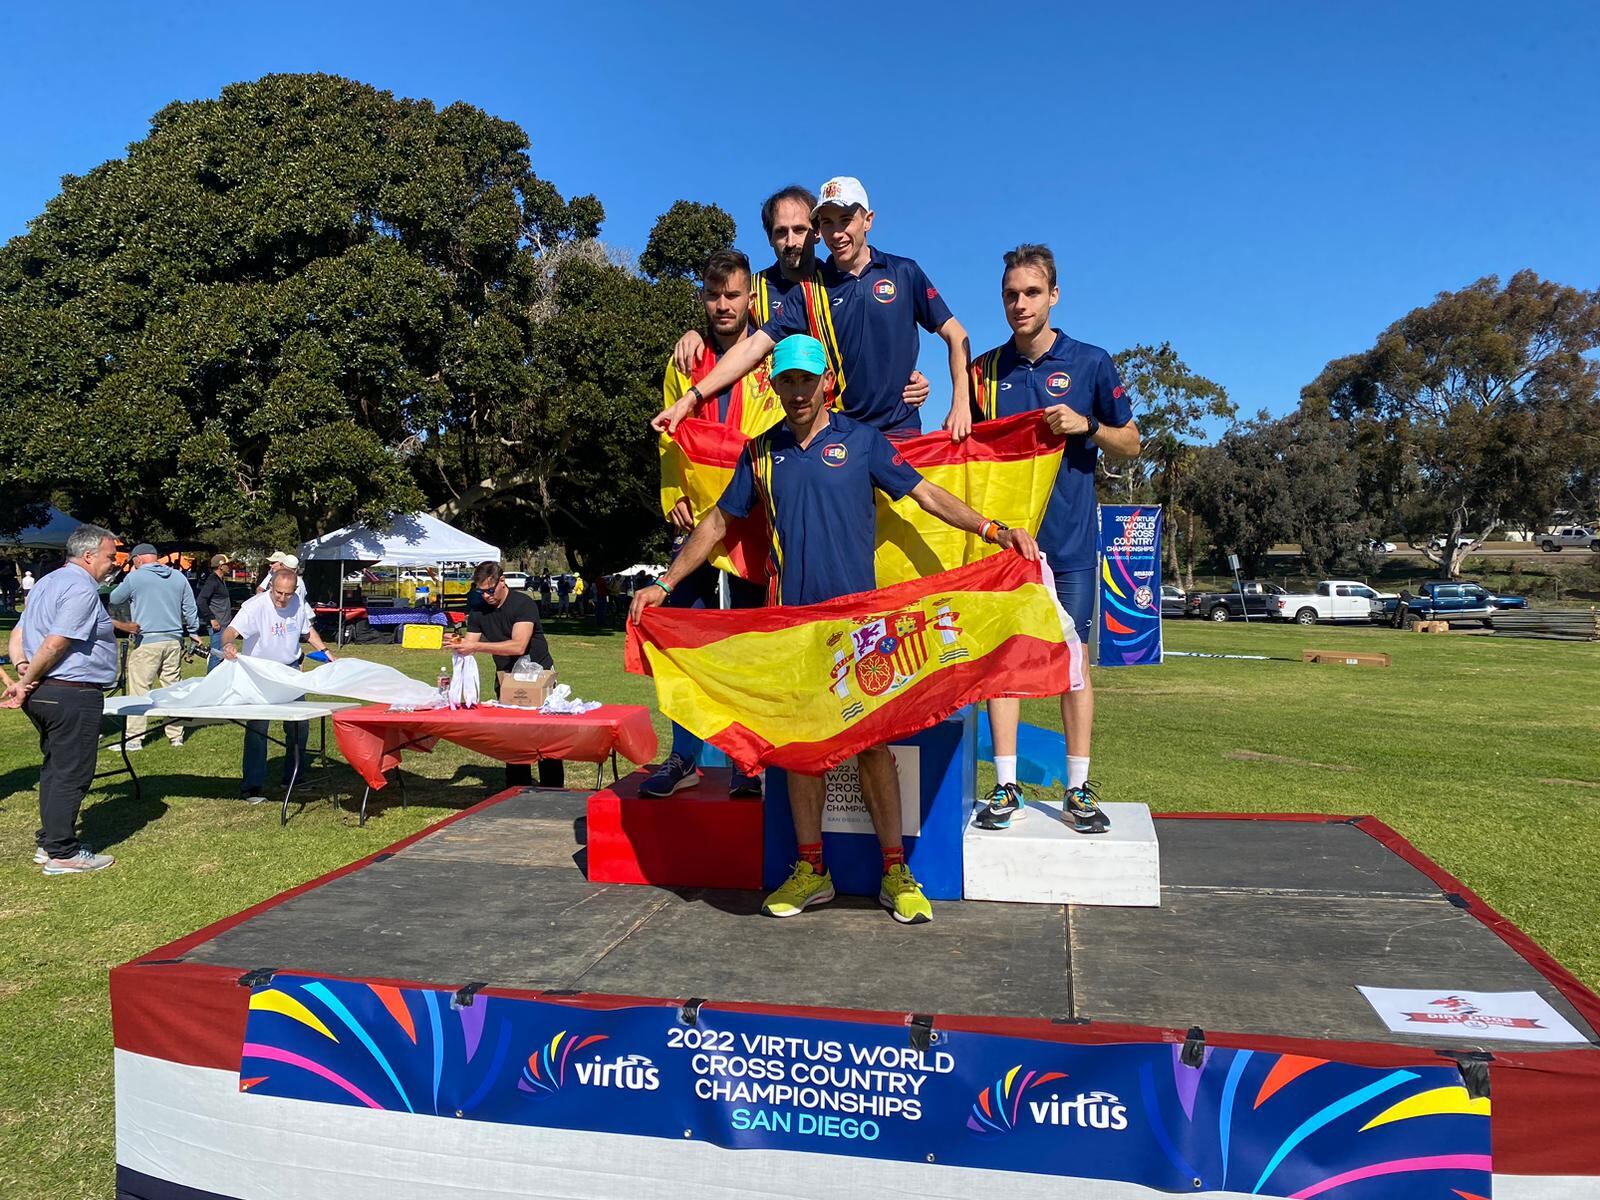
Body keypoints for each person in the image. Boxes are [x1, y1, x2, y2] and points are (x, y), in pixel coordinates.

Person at [632, 335, 1039, 926]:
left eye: (807, 381)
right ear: (775, 386)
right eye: (787, 381)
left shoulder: (861, 441)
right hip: (795, 630)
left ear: (827, 384)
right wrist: (665, 585)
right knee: (802, 755)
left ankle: (895, 870)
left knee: (874, 748)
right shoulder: (761, 452)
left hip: (859, 628)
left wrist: (993, 529)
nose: (797, 392)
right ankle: (810, 869)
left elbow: (926, 494)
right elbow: (717, 522)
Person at [970, 245, 1141, 834]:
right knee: (1003, 664)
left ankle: (1077, 789)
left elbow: (1132, 442)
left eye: (1031, 293)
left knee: (1075, 664)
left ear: (1054, 295)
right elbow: (961, 444)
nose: (1020, 304)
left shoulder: (1091, 363)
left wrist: (1087, 426)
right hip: (1007, 546)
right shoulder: (983, 372)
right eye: (1011, 294)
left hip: (1069, 542)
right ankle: (1005, 786)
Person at [655, 176, 971, 443]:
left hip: (900, 432)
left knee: (915, 513)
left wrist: (961, 401)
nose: (837, 232)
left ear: (868, 220)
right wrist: (691, 393)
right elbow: (746, 346)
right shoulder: (805, 292)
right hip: (832, 434)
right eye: (828, 222)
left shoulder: (904, 272)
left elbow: (956, 335)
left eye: (846, 220)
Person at [645, 249, 776, 800]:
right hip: (696, 518)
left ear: (751, 298)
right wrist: (674, 492)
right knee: (687, 638)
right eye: (713, 295)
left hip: (752, 523)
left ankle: (750, 764)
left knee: (750, 642)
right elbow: (667, 430)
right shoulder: (684, 359)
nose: (723, 305)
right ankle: (684, 756)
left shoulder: (770, 355)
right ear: (703, 298)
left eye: (732, 295)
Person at [669, 185, 930, 410]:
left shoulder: (840, 283)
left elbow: (875, 345)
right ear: (770, 237)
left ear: (817, 233)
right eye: (781, 232)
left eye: (800, 230)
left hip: (835, 423)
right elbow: (731, 343)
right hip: (765, 425)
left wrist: (908, 378)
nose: (791, 241)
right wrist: (695, 334)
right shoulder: (753, 289)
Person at [3, 524, 121, 875]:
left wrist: (24, 669)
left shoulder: (47, 583)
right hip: (71, 692)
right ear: (88, 556)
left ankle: (50, 841)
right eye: (109, 557)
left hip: (49, 692)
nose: (113, 563)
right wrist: (26, 678)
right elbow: (56, 643)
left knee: (55, 770)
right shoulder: (80, 588)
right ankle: (63, 853)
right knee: (72, 773)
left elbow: (19, 633)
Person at [220, 567, 335, 804]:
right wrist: (228, 645)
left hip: (290, 672)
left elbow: (307, 631)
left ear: (295, 590)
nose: (282, 599)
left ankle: (295, 777)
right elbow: (231, 630)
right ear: (271, 586)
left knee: (299, 726)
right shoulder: (255, 606)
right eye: (278, 593)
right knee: (257, 730)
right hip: (261, 674)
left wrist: (325, 651)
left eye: (288, 594)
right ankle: (252, 786)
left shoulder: (298, 603)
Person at [451, 561, 563, 790]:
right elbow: (469, 644)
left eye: (490, 590)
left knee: (545, 737)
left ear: (502, 581)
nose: (486, 596)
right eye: (480, 591)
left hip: (538, 676)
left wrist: (476, 647)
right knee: (513, 738)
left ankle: (553, 788)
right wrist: (456, 644)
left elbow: (518, 646)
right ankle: (516, 788)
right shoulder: (478, 610)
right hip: (506, 678)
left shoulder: (523, 604)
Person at [110, 543, 203, 750]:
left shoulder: (135, 577)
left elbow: (115, 598)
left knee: (140, 690)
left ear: (139, 559)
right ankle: (176, 735)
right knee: (172, 689)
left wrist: (133, 575)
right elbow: (189, 607)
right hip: (173, 640)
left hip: (148, 640)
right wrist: (194, 631)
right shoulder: (178, 576)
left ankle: (134, 738)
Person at [195, 554, 235, 673]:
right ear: (220, 566)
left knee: (223, 656)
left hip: (224, 624)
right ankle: (210, 684)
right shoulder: (212, 581)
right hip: (218, 626)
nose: (230, 567)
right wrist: (212, 619)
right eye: (227, 564)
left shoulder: (221, 580)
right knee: (217, 655)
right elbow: (201, 600)